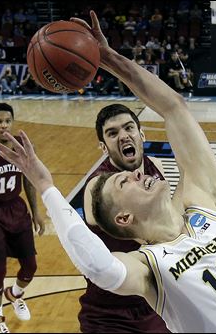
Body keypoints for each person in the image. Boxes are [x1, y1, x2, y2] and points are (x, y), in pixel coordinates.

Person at [0, 11, 216, 333]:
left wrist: (110, 59)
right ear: (124, 218)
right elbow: (100, 268)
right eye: (122, 181)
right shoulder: (149, 266)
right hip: (113, 317)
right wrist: (45, 184)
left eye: (130, 128)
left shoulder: (208, 202)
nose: (136, 174)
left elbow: (174, 108)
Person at [79, 103, 168, 333]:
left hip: (153, 301)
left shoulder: (155, 166)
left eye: (129, 128)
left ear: (141, 134)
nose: (123, 136)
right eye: (112, 133)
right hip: (110, 310)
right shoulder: (96, 189)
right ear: (103, 147)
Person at [0, 103, 45, 333]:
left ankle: (14, 294)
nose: (3, 125)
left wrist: (36, 211)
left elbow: (28, 179)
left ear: (13, 122)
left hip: (17, 209)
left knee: (31, 265)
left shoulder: (23, 148)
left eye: (7, 121)